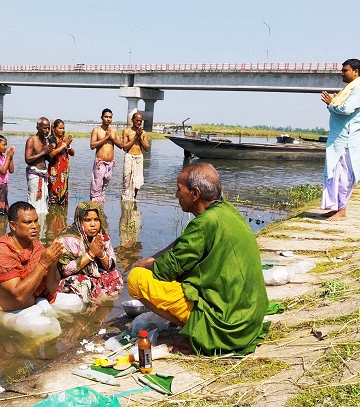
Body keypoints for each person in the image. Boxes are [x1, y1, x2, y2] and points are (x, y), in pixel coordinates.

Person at [127, 162, 269, 356]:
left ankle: (198, 335)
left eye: (179, 190)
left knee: (137, 279)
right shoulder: (226, 211)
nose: (176, 195)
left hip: (227, 327)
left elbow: (165, 269)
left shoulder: (203, 225)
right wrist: (154, 257)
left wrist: (144, 263)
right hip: (249, 318)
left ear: (195, 194)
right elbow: (182, 244)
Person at [0, 202, 82, 337]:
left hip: (33, 302)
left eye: (36, 221)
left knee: (74, 302)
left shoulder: (35, 246)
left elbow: (52, 287)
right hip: (6, 313)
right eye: (28, 222)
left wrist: (52, 263)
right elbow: (19, 296)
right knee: (42, 326)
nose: (34, 226)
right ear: (13, 225)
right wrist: (43, 263)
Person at [320, 58, 360, 221]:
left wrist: (332, 104)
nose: (342, 73)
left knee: (344, 177)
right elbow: (339, 108)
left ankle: (342, 211)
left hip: (347, 140)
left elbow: (346, 109)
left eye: (345, 70)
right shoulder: (349, 89)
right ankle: (335, 208)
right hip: (338, 140)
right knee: (334, 174)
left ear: (355, 72)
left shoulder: (359, 89)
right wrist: (334, 104)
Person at [55, 201, 124, 305]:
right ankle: (88, 309)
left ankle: (98, 301)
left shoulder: (102, 236)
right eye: (87, 220)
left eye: (96, 219)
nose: (93, 224)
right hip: (72, 279)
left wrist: (101, 254)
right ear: (79, 221)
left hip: (94, 278)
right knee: (81, 283)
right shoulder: (67, 239)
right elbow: (65, 270)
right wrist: (90, 254)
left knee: (115, 276)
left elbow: (111, 266)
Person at [89, 108, 123, 204]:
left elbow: (121, 146)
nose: (108, 119)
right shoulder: (96, 130)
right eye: (106, 117)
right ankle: (93, 204)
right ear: (101, 118)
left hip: (110, 163)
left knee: (105, 185)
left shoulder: (114, 131)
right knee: (96, 184)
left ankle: (101, 207)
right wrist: (105, 138)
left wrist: (112, 138)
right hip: (100, 162)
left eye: (110, 117)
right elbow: (92, 146)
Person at [25, 117, 54, 216]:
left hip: (43, 173)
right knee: (34, 199)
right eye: (44, 128)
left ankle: (42, 225)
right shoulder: (31, 140)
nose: (47, 131)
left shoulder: (46, 141)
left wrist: (49, 152)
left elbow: (49, 160)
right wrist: (43, 152)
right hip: (34, 173)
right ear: (38, 127)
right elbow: (28, 159)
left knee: (43, 201)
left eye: (48, 128)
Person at [121, 112, 150, 201]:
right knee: (127, 179)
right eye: (137, 120)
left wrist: (140, 137)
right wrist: (135, 137)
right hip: (129, 156)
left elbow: (147, 148)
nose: (138, 123)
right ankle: (125, 198)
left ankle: (133, 198)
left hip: (139, 157)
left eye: (140, 121)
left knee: (138, 180)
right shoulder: (127, 131)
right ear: (133, 120)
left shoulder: (143, 133)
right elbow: (125, 147)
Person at [48, 119, 75, 205]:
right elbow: (53, 152)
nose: (62, 130)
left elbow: (72, 153)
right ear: (54, 129)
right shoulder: (51, 139)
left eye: (63, 128)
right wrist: (64, 145)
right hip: (54, 170)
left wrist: (68, 145)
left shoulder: (64, 140)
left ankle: (62, 213)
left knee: (63, 192)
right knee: (54, 194)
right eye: (60, 128)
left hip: (63, 171)